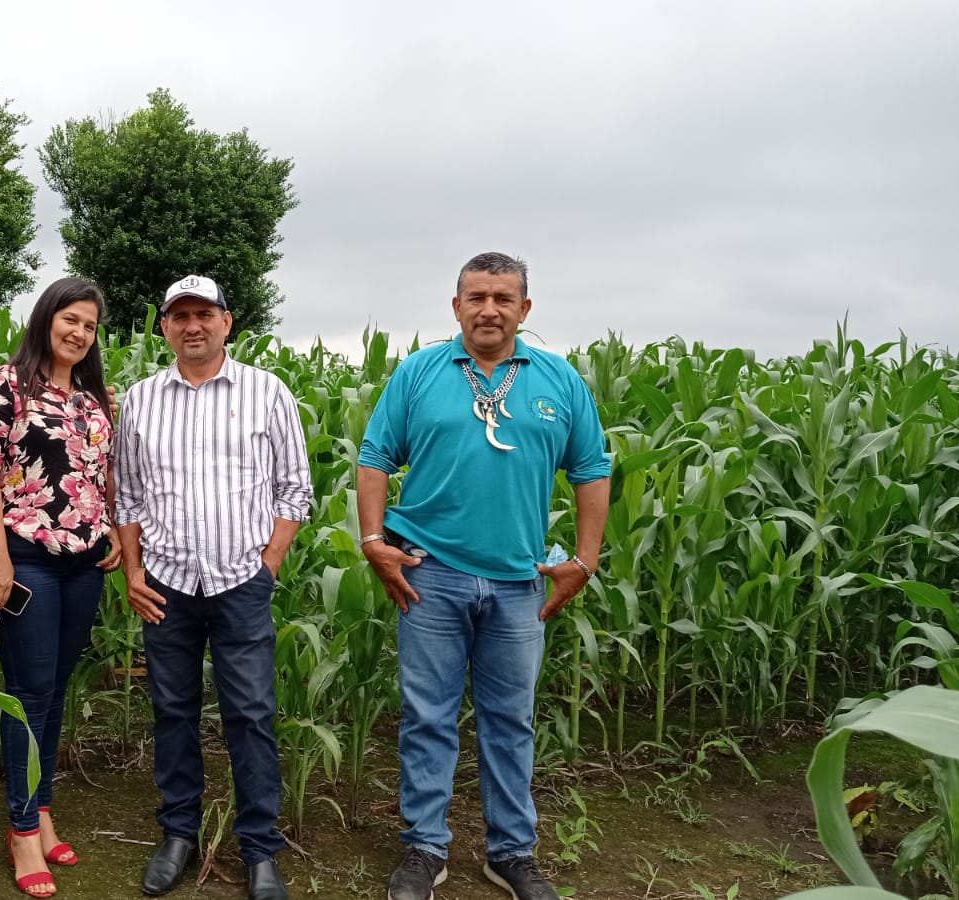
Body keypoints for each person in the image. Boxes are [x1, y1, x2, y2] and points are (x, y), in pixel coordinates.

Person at [357, 252, 611, 900]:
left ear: (525, 309)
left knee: (510, 720)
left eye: (503, 298)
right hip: (429, 574)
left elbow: (591, 467)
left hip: (518, 581)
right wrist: (372, 541)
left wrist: (584, 560)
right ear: (457, 306)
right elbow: (375, 455)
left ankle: (512, 853)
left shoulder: (558, 379)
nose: (489, 309)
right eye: (477, 297)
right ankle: (424, 848)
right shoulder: (419, 372)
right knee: (428, 717)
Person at [115, 275, 312, 900]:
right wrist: (133, 572)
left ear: (227, 322)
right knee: (172, 710)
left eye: (205, 314)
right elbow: (128, 496)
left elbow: (294, 488)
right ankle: (179, 833)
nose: (192, 325)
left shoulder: (267, 392)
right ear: (165, 327)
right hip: (166, 583)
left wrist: (269, 562)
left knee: (250, 713)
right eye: (180, 316)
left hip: (240, 581)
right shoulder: (141, 400)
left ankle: (259, 848)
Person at [0, 276, 122, 897]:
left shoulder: (93, 398)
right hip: (26, 559)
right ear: (46, 318)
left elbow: (100, 473)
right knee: (28, 694)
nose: (79, 333)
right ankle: (23, 829)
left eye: (89, 325)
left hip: (84, 564)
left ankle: (43, 808)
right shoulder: (7, 385)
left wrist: (111, 529)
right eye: (70, 319)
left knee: (55, 690)